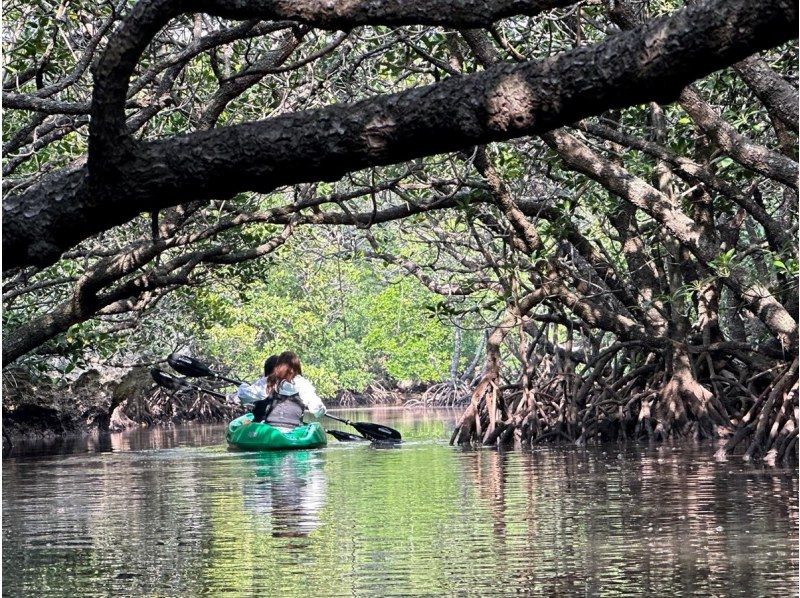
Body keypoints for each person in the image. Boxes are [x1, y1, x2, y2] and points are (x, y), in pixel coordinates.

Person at [237, 351, 326, 431]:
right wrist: (322, 410)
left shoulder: (269, 381)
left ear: (278, 366)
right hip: (293, 429)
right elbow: (317, 409)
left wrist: (243, 386)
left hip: (270, 429)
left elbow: (243, 396)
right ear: (297, 367)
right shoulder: (302, 383)